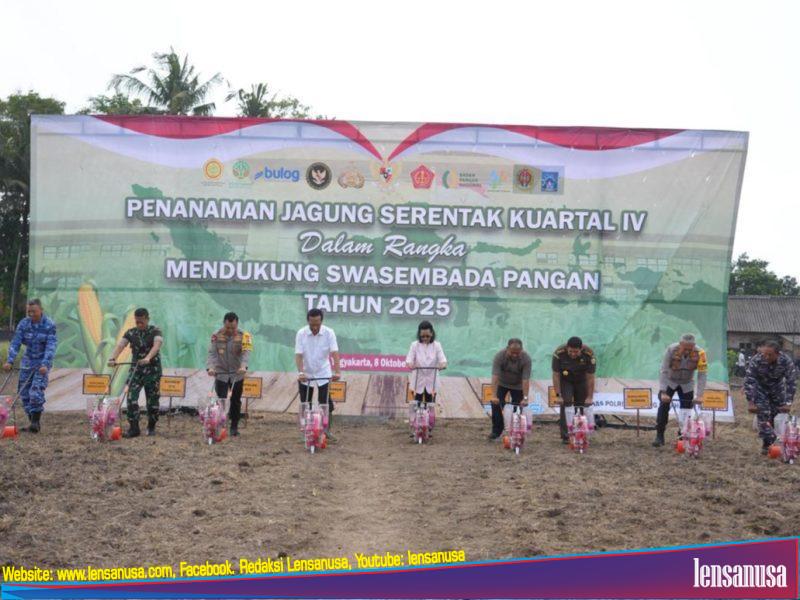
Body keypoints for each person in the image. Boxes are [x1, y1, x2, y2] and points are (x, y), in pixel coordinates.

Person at [3, 299, 57, 433]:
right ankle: (32, 422)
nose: (31, 314)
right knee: (24, 393)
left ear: (41, 310)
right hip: (27, 362)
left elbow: (51, 346)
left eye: (34, 311)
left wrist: (45, 364)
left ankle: (35, 423)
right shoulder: (24, 324)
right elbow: (16, 342)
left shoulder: (49, 325)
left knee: (35, 391)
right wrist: (10, 361)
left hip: (42, 364)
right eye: (29, 312)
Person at [108, 308, 163, 438]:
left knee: (152, 401)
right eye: (137, 321)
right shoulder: (131, 332)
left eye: (141, 321)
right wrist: (112, 358)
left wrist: (148, 357)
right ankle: (134, 428)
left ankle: (151, 426)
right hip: (136, 371)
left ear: (147, 319)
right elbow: (120, 346)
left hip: (152, 371)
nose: (139, 324)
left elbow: (157, 345)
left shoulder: (156, 331)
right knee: (131, 398)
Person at [653, 333, 707, 447]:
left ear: (694, 346)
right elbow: (663, 370)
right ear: (680, 344)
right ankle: (659, 435)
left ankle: (682, 436)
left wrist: (700, 395)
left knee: (686, 410)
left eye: (690, 348)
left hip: (687, 383)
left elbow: (702, 374)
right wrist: (663, 392)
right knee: (663, 406)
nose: (687, 351)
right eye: (685, 348)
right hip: (670, 381)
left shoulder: (701, 353)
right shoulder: (671, 350)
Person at [744, 340, 796, 454]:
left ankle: (775, 444)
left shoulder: (786, 361)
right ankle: (769, 444)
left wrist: (788, 403)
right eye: (764, 354)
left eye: (770, 355)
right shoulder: (756, 360)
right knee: (763, 415)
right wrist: (751, 401)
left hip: (777, 389)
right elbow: (750, 380)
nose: (766, 357)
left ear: (778, 354)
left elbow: (791, 382)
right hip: (760, 389)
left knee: (777, 416)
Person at [295, 309, 341, 436]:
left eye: (317, 324)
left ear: (321, 321)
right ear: (308, 321)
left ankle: (326, 431)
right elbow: (298, 355)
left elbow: (334, 352)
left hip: (323, 372)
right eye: (312, 324)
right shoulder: (301, 333)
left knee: (325, 402)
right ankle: (306, 432)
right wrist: (300, 372)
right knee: (305, 402)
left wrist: (337, 371)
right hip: (306, 373)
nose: (315, 327)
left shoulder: (329, 333)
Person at [206, 312, 253, 436]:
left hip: (237, 374)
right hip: (221, 373)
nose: (231, 330)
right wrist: (210, 368)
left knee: (235, 400)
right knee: (221, 400)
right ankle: (220, 425)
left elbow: (246, 353)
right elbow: (212, 353)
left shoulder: (245, 336)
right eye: (228, 327)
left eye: (233, 328)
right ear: (224, 323)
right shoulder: (216, 335)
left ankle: (234, 426)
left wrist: (243, 366)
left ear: (237, 324)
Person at [552, 336, 596, 443]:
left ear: (581, 349)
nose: (573, 354)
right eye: (570, 351)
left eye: (576, 352)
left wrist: (590, 397)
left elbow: (590, 377)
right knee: (566, 402)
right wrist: (558, 395)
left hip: (582, 379)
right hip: (565, 380)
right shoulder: (558, 353)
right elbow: (556, 375)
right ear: (567, 348)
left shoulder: (589, 354)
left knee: (582, 405)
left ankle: (581, 433)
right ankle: (566, 435)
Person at [488, 338, 531, 440]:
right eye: (512, 352)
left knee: (518, 408)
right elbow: (495, 376)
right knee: (496, 404)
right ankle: (496, 431)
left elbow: (525, 379)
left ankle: (516, 432)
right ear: (507, 348)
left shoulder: (526, 359)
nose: (515, 355)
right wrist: (493, 396)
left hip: (518, 385)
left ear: (522, 350)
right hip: (502, 383)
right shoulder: (499, 356)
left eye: (517, 353)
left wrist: (525, 398)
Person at [406, 320, 447, 405]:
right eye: (422, 336)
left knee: (430, 405)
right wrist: (411, 365)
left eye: (427, 336)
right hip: (418, 379)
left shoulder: (437, 345)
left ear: (432, 333)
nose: (425, 338)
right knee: (417, 404)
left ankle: (429, 413)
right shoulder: (414, 345)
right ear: (419, 335)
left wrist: (442, 366)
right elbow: (409, 361)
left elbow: (443, 361)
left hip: (432, 380)